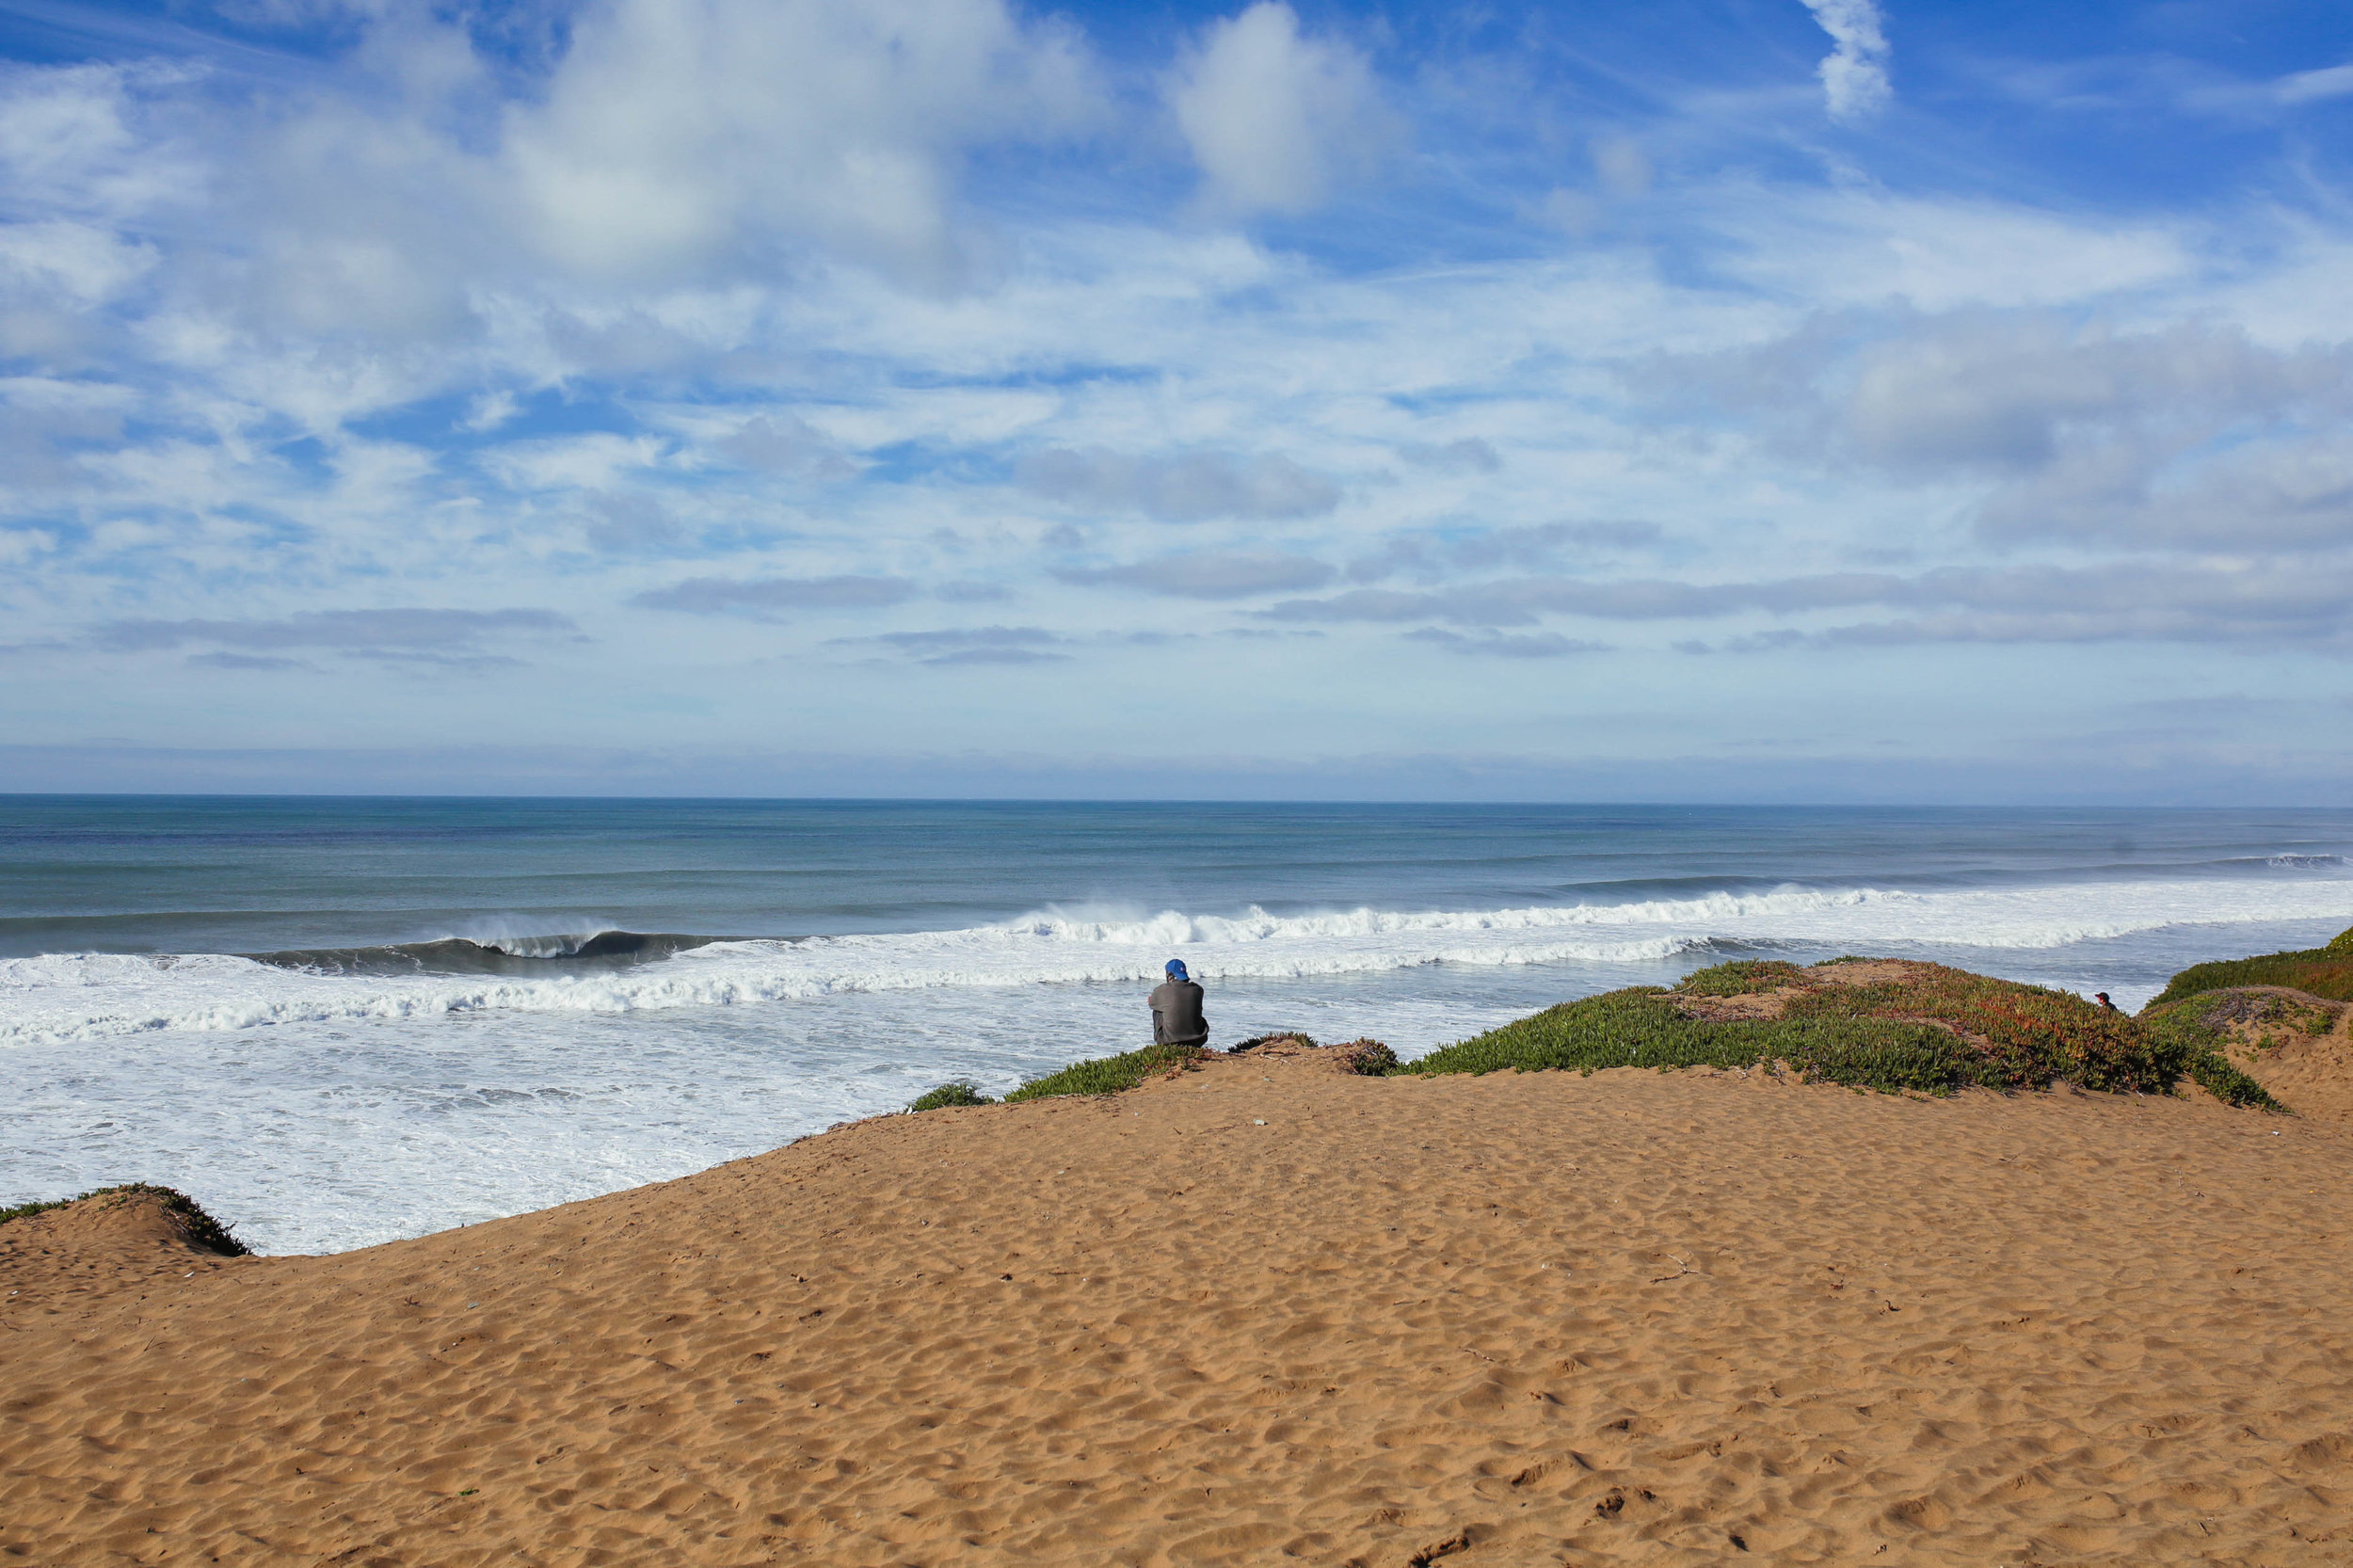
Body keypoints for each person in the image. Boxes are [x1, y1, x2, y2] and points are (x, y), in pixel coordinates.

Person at [1149, 958, 1209, 1048]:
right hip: (1197, 1040)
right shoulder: (1198, 989)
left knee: (1158, 1010)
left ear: (1169, 975)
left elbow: (1151, 1003)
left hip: (1170, 1041)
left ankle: (1163, 1045)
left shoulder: (1162, 990)